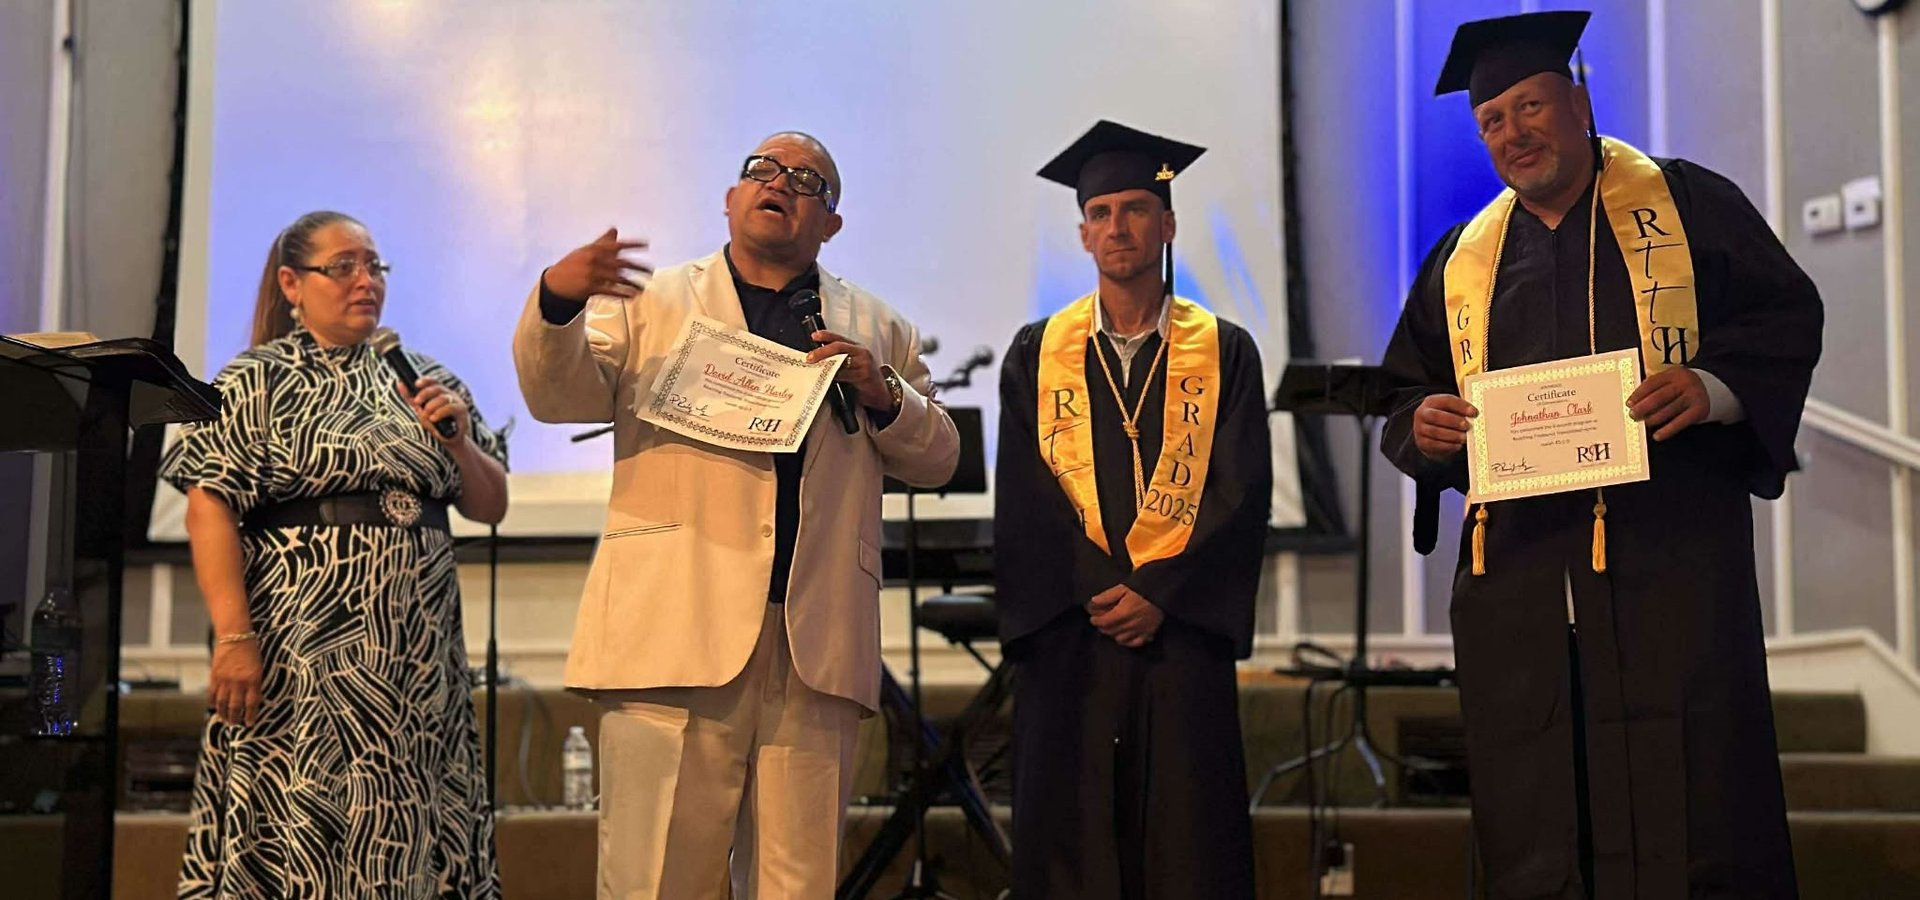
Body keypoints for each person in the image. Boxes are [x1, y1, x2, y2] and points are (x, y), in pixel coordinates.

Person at [1380, 12, 1823, 899]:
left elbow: (1784, 316)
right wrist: (1419, 427)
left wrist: (1713, 386)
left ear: (1579, 103)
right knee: (1540, 812)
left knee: (1696, 805)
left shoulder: (1687, 206)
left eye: (1531, 105)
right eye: (1492, 120)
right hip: (1522, 588)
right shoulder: (1462, 259)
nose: (1513, 132)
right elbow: (1406, 391)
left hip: (1671, 565)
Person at [512, 130, 959, 899]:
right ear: (730, 199)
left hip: (813, 646)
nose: (780, 183)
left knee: (798, 884)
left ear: (831, 223)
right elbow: (558, 396)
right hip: (672, 631)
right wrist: (558, 298)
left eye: (807, 180)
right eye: (763, 170)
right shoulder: (650, 304)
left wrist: (884, 392)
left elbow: (939, 456)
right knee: (657, 880)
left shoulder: (879, 328)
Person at [164, 210, 509, 897]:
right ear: (292, 284)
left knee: (410, 824)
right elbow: (209, 507)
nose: (365, 281)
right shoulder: (255, 380)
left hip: (415, 665)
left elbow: (490, 504)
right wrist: (233, 636)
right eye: (344, 266)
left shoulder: (426, 379)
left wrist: (458, 442)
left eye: (374, 266)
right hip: (303, 658)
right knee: (306, 818)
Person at [993, 120, 1271, 900]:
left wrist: (1159, 592)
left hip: (1179, 632)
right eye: (1102, 213)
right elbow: (1026, 496)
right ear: (1084, 234)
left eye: (1136, 209)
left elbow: (1241, 490)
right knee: (1071, 839)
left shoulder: (1225, 350)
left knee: (1188, 840)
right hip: (1073, 634)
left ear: (1167, 224)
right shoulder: (1036, 353)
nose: (1119, 227)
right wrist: (1095, 589)